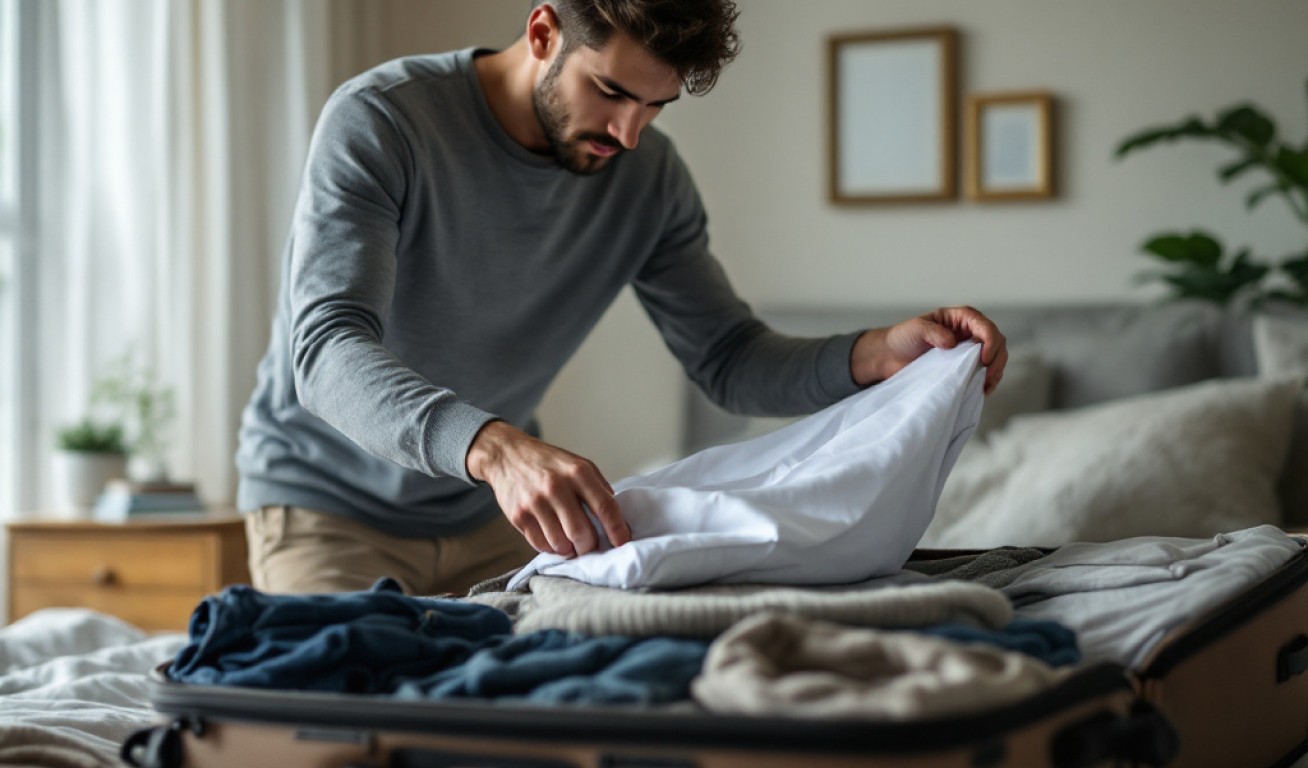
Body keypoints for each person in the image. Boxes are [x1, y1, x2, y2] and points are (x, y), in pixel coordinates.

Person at [236, 0, 1008, 596]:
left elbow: (728, 359)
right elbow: (326, 348)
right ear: (543, 32)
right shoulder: (384, 120)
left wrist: (876, 353)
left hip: (493, 520)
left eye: (656, 106)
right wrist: (498, 449)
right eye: (609, 92)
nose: (629, 134)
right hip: (326, 508)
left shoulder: (650, 180)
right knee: (343, 723)